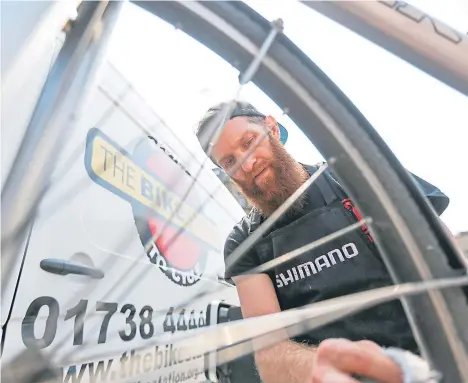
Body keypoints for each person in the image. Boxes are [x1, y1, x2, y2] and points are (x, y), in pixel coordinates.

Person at [195, 101, 449, 383]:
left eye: (249, 142)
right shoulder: (243, 242)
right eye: (230, 161)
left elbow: (450, 263)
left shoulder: (359, 179)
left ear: (272, 128)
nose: (248, 163)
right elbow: (269, 353)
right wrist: (335, 369)